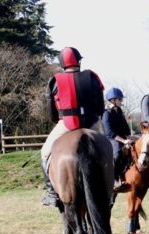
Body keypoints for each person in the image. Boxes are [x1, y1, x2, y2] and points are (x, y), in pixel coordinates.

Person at [40, 47, 105, 207]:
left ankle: (50, 192)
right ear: (79, 62)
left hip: (66, 124)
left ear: (63, 64)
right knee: (107, 148)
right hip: (91, 123)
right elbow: (100, 107)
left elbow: (52, 113)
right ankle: (114, 181)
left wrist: (60, 119)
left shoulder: (55, 81)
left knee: (44, 152)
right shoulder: (93, 77)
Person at [102, 87, 133, 191]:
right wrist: (124, 141)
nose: (122, 101)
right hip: (111, 139)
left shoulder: (119, 112)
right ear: (113, 100)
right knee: (118, 152)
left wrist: (131, 138)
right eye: (120, 99)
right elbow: (110, 132)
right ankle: (114, 180)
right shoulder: (106, 113)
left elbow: (126, 128)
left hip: (123, 139)